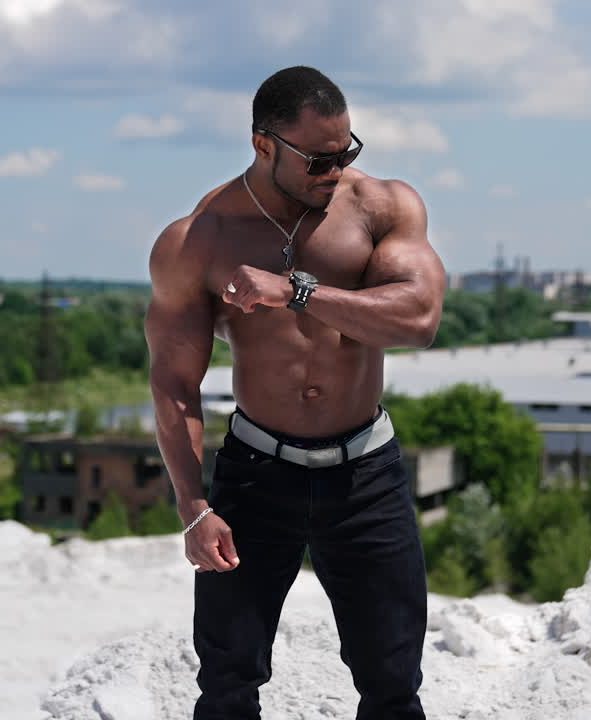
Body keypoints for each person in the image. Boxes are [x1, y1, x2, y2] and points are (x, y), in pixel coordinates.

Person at [144, 66, 446, 720]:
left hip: (366, 474)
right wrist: (193, 506)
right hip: (257, 479)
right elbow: (173, 383)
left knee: (394, 687)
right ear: (263, 146)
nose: (336, 170)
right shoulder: (201, 239)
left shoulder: (381, 207)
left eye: (347, 152)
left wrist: (300, 291)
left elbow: (420, 318)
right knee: (226, 685)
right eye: (319, 159)